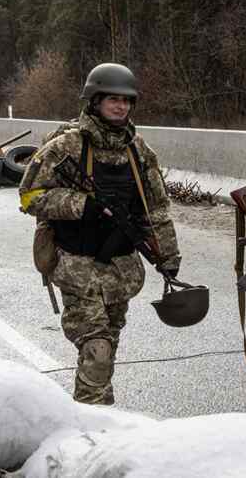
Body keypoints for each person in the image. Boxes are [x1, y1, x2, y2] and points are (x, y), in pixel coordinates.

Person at [18, 63, 181, 404]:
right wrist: (81, 204)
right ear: (94, 101)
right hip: (77, 265)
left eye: (126, 100)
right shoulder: (66, 147)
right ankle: (91, 426)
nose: (121, 107)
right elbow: (29, 196)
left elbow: (157, 208)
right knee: (97, 349)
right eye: (112, 100)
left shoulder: (138, 151)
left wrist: (168, 256)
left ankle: (100, 413)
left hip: (120, 268)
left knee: (109, 344)